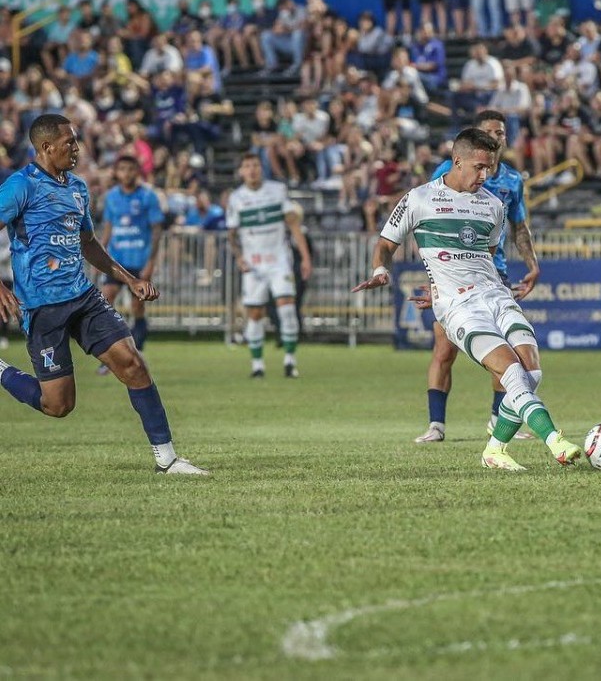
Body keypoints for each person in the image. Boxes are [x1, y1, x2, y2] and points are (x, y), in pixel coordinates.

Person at [353, 127, 579, 471]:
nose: (484, 175)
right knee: (510, 371)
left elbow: (481, 255)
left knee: (531, 371)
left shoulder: (493, 205)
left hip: (495, 294)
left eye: (489, 167)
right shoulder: (419, 198)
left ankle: (494, 450)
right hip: (458, 307)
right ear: (456, 162)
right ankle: (555, 441)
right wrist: (382, 271)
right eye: (478, 167)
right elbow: (385, 244)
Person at [0, 114, 206, 475]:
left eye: (76, 141)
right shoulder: (20, 187)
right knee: (58, 405)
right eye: (70, 143)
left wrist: (128, 279)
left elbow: (89, 244)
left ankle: (167, 459)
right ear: (47, 147)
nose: (77, 149)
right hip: (42, 307)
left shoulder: (78, 188)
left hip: (83, 296)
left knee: (133, 365)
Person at [412, 109, 539, 444]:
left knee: (507, 350)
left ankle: (498, 419)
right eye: (489, 132)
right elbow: (429, 219)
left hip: (494, 274)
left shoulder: (512, 180)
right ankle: (436, 425)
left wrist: (532, 263)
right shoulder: (450, 170)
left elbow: (519, 226)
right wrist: (435, 274)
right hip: (453, 276)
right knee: (444, 349)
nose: (496, 137)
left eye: (500, 132)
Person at [226, 154, 313, 378]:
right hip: (254, 265)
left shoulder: (277, 190)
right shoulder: (236, 198)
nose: (252, 170)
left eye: (255, 165)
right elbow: (232, 235)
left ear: (261, 169)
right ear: (241, 172)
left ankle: (290, 362)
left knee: (286, 308)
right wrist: (238, 256)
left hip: (279, 262)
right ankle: (257, 366)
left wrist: (305, 257)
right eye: (247, 166)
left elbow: (293, 225)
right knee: (255, 313)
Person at [96, 155, 166, 376]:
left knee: (137, 307)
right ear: (116, 172)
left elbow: (156, 232)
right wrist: (99, 255)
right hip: (116, 261)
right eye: (122, 169)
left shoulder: (148, 196)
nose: (126, 173)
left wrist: (151, 263)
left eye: (131, 169)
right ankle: (110, 355)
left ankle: (138, 348)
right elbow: (108, 227)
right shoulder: (112, 197)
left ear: (137, 171)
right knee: (105, 300)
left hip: (139, 260)